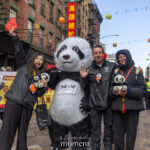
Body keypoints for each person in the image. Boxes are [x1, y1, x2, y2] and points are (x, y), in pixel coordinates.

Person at [0, 28, 48, 150]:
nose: (39, 61)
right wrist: (15, 37)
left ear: (43, 63)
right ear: (33, 59)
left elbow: (38, 94)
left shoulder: (41, 77)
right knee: (7, 132)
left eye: (41, 60)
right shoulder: (24, 65)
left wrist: (44, 87)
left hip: (27, 106)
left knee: (23, 134)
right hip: (14, 102)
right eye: (37, 58)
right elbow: (19, 51)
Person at [80, 45, 116, 150]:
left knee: (109, 130)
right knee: (95, 130)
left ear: (103, 53)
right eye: (96, 53)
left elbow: (116, 82)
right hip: (94, 105)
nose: (98, 54)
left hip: (108, 104)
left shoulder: (112, 66)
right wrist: (83, 78)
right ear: (93, 55)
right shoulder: (88, 69)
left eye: (100, 52)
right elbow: (84, 88)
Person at [109, 49, 146, 150]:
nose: (121, 59)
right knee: (117, 138)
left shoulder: (136, 71)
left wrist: (128, 92)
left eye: (123, 56)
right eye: (119, 57)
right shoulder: (116, 72)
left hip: (132, 111)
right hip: (117, 110)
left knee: (131, 137)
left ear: (128, 57)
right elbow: (110, 89)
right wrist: (113, 92)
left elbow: (142, 90)